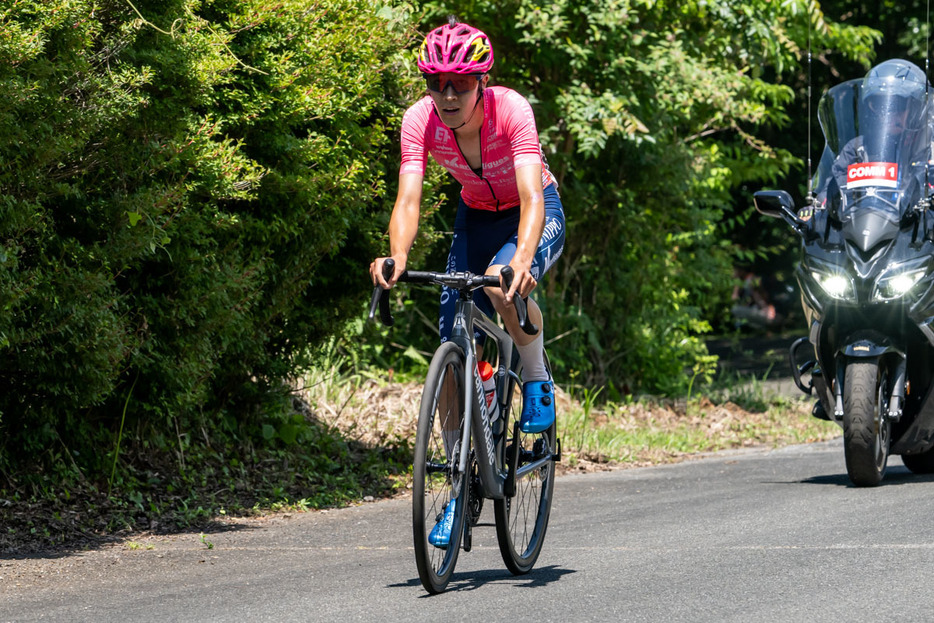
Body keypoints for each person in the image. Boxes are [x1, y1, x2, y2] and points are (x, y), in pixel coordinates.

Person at [369, 18, 565, 547]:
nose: (448, 94)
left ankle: (536, 376)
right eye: (436, 83)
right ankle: (461, 483)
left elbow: (531, 198)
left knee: (504, 288)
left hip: (531, 213)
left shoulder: (512, 110)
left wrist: (522, 258)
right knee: (452, 351)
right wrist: (397, 256)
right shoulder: (420, 121)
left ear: (482, 81)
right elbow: (408, 200)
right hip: (475, 218)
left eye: (460, 83)